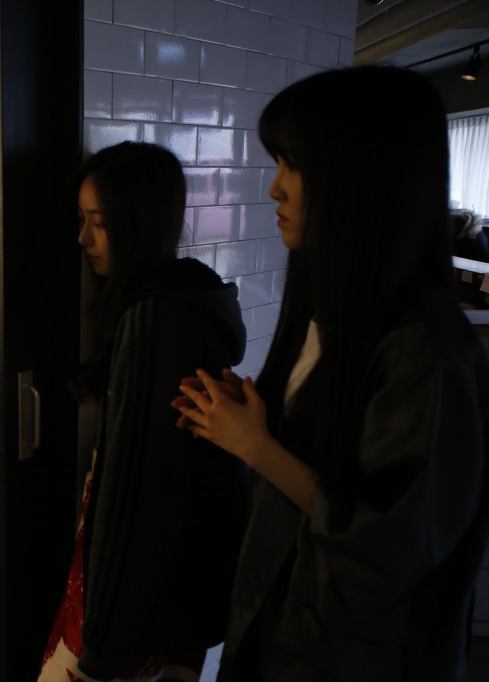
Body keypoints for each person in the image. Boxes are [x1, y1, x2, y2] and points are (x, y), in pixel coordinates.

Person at [173, 66, 489, 682]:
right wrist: (254, 418)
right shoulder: (328, 315)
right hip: (284, 636)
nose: (275, 188)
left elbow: (391, 546)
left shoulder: (428, 352)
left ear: (364, 180)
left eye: (293, 164)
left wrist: (259, 447)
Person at [39, 142, 249, 681]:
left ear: (139, 223)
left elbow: (139, 494)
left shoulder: (154, 322)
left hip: (135, 610)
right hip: (174, 601)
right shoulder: (183, 301)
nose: (82, 238)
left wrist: (102, 643)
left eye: (100, 223)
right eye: (81, 220)